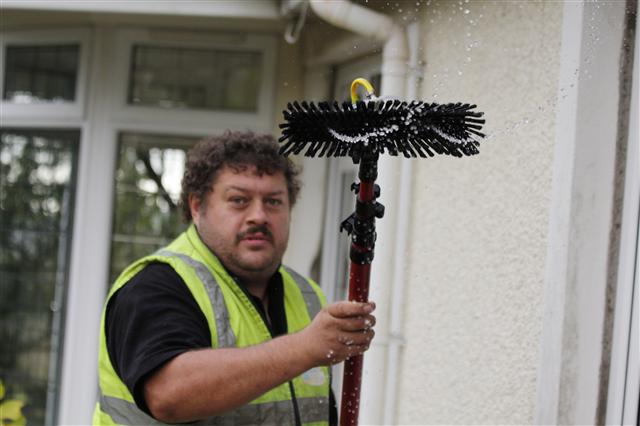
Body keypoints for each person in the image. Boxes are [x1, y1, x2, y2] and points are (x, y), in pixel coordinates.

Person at [93, 131, 376, 425]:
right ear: (196, 207)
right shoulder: (155, 286)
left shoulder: (307, 296)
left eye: (274, 202)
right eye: (239, 200)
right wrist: (304, 348)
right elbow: (169, 395)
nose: (259, 216)